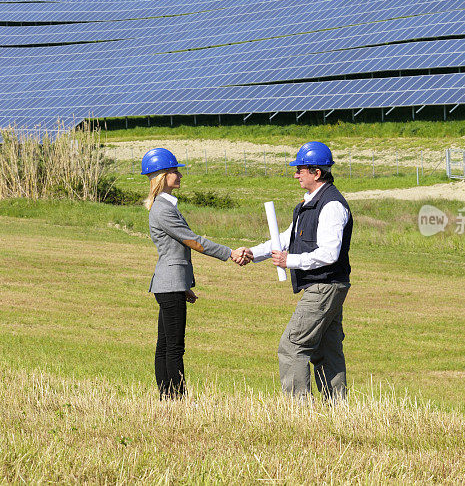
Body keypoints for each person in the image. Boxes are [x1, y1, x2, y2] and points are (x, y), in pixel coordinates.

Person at [239, 141, 352, 400]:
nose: (295, 174)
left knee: (292, 346)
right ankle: (338, 409)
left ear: (317, 172)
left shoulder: (331, 205)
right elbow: (284, 239)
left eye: (300, 169)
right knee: (327, 350)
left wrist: (289, 261)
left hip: (324, 286)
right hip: (326, 286)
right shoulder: (307, 205)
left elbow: (329, 253)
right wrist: (253, 254)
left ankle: (298, 410)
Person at [142, 147, 247, 399]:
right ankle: (176, 398)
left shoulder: (163, 206)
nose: (179, 175)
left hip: (170, 284)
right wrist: (229, 253)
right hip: (169, 284)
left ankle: (168, 397)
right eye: (174, 171)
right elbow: (194, 241)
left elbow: (174, 251)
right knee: (174, 347)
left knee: (165, 345)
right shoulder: (163, 209)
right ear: (161, 176)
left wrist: (184, 284)